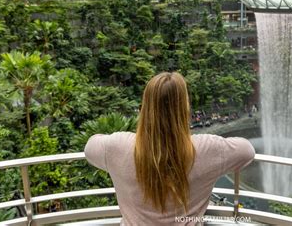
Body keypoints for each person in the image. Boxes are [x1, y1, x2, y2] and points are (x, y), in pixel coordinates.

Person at [85, 72, 255, 225]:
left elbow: (90, 147)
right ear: (184, 109)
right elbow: (247, 150)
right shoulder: (207, 148)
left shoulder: (117, 146)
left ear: (144, 108)